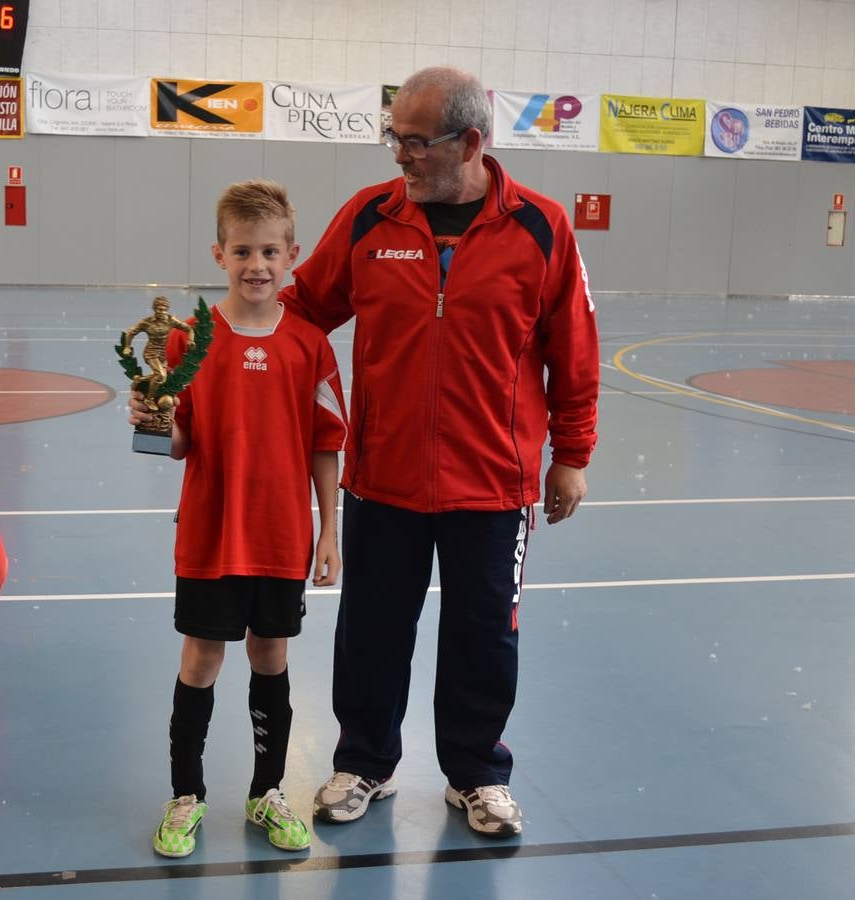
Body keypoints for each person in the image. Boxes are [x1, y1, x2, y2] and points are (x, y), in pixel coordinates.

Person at [278, 67, 600, 838]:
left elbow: (575, 351)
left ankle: (477, 773)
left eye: (417, 142)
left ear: (472, 142)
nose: (401, 156)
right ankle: (364, 763)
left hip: (495, 483)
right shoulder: (368, 219)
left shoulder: (543, 227)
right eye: (395, 138)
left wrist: (572, 453)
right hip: (382, 475)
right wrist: (229, 352)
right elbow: (302, 310)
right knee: (372, 629)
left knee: (485, 633)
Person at [129, 180, 349, 858]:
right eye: (244, 251)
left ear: (293, 257)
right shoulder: (189, 342)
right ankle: (185, 795)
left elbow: (324, 444)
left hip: (282, 535)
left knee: (270, 656)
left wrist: (330, 530)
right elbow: (180, 442)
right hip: (210, 532)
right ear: (218, 253)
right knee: (201, 658)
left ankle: (266, 792)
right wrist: (149, 424)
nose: (258, 264)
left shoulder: (312, 345)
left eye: (271, 252)